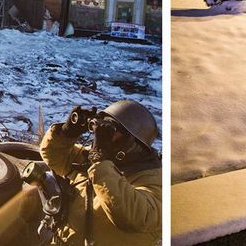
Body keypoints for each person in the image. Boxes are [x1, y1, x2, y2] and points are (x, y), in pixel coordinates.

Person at [38, 100, 161, 246]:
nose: (101, 136)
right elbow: (55, 157)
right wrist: (67, 132)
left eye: (110, 132)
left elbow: (136, 217)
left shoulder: (152, 179)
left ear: (130, 142)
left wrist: (100, 163)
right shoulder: (100, 160)